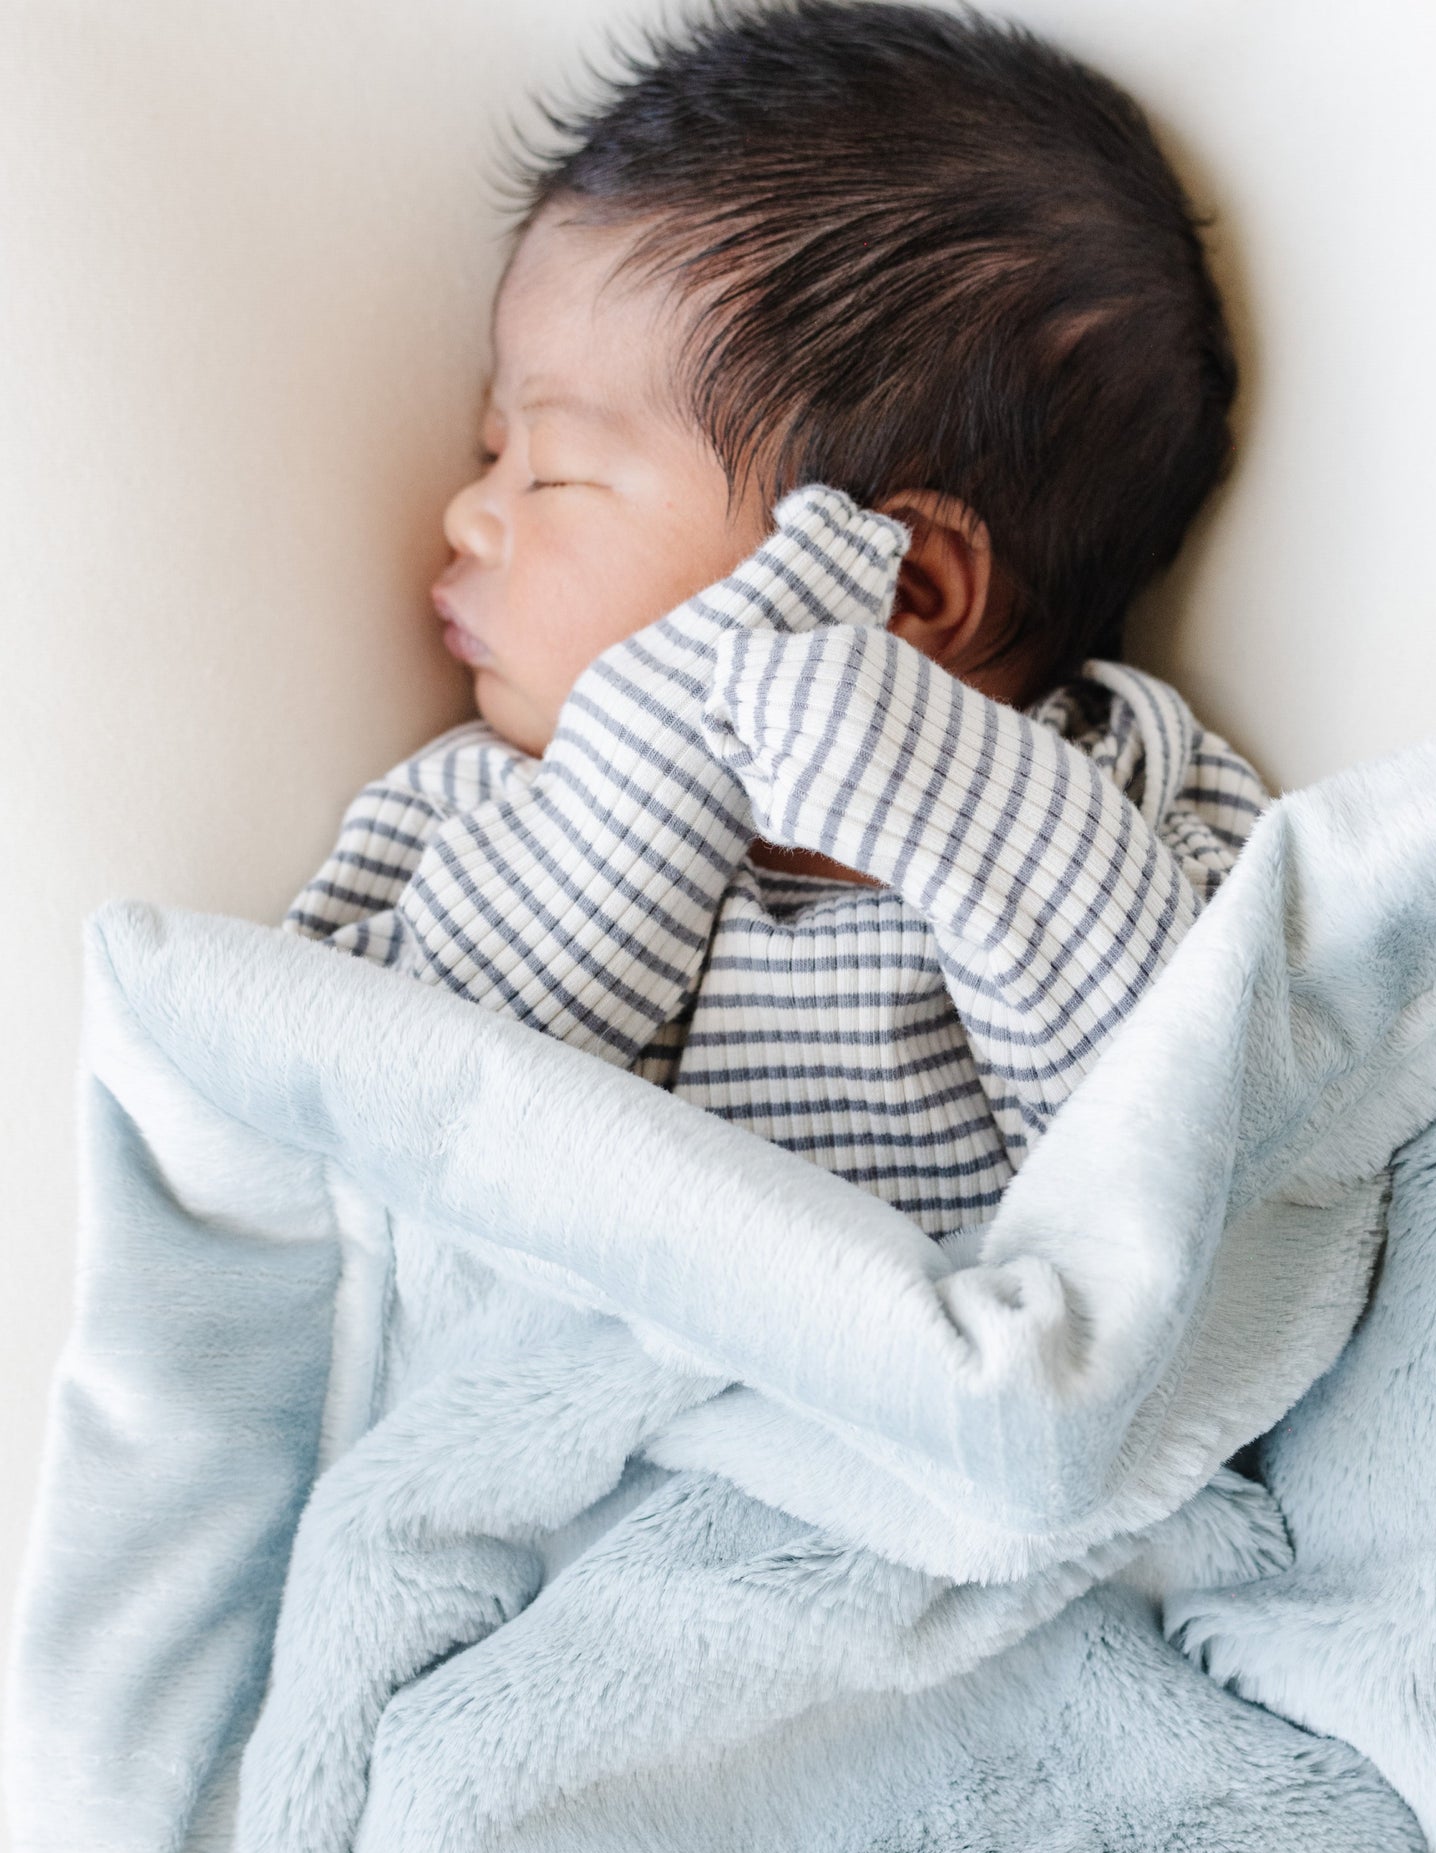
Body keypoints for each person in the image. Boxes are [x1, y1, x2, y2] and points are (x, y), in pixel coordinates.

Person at [287, 0, 1267, 1239]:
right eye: (493, 449)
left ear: (898, 588)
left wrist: (935, 776)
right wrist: (637, 789)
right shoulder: (480, 815)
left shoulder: (1134, 792)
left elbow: (1204, 1155)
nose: (470, 517)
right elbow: (327, 1119)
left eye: (551, 473)